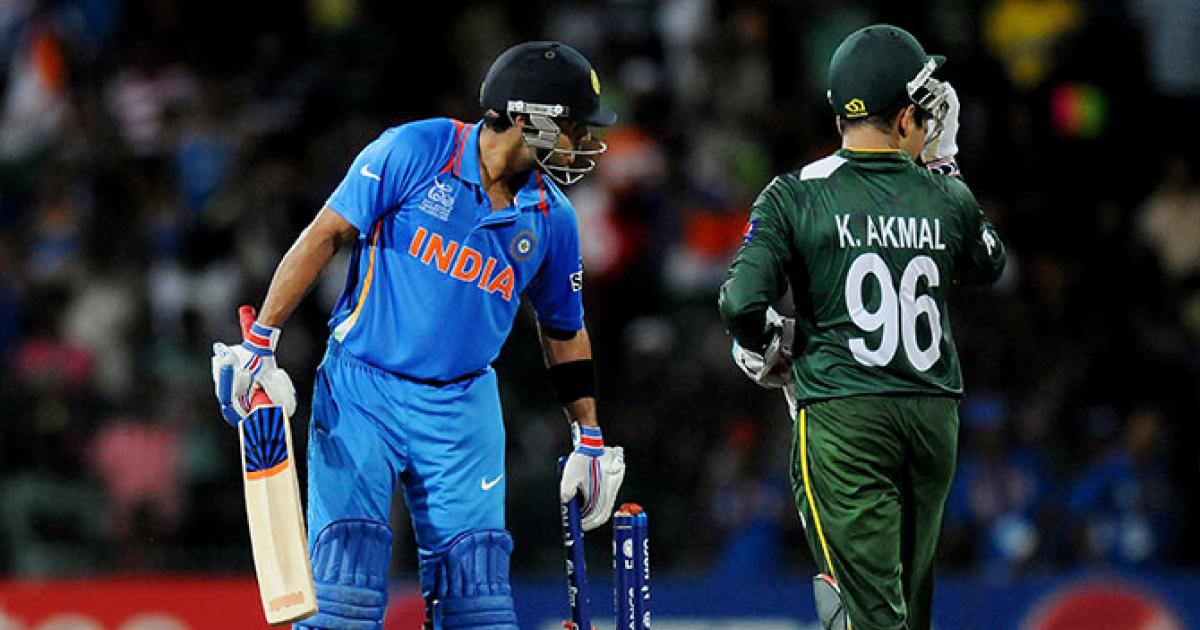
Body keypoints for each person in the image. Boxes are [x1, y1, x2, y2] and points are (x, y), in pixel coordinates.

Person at [210, 41, 626, 629]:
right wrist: (262, 342)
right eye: (574, 126)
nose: (582, 142)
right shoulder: (415, 149)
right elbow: (326, 233)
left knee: (476, 600)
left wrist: (589, 435)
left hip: (463, 407)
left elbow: (564, 329)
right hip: (362, 390)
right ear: (529, 117)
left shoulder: (553, 218)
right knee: (344, 591)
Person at [719, 25, 1006, 630]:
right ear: (904, 117)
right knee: (907, 607)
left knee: (871, 612)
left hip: (844, 413)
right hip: (932, 416)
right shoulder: (944, 196)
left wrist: (769, 344)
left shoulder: (794, 194)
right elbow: (988, 261)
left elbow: (741, 302)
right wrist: (946, 163)